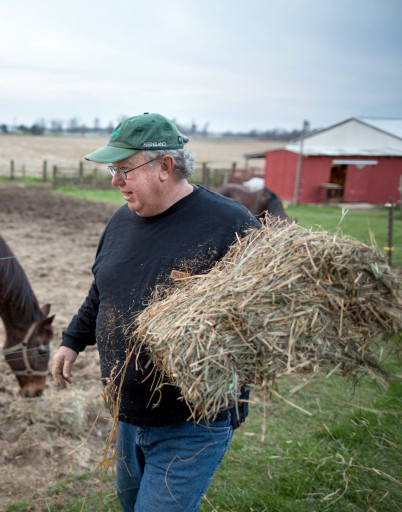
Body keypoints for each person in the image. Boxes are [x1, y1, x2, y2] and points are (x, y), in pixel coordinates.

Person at [51, 113, 260, 511]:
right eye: (114, 170)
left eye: (124, 169)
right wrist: (72, 341)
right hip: (129, 416)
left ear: (165, 166)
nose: (115, 181)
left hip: (193, 421)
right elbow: (103, 289)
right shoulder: (120, 221)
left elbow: (261, 320)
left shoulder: (231, 225)